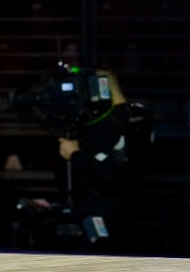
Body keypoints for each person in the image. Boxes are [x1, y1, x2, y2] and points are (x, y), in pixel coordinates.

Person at [56, 67, 152, 253]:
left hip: (102, 210)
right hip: (133, 207)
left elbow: (103, 174)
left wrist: (74, 154)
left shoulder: (103, 125)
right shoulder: (141, 116)